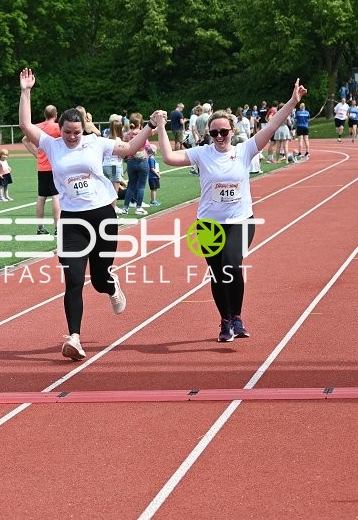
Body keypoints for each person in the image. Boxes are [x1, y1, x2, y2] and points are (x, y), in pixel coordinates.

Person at [153, 79, 308, 343]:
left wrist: (293, 102)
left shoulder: (244, 149)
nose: (219, 137)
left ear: (232, 131)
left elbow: (272, 125)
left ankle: (236, 316)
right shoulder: (202, 153)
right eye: (214, 133)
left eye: (223, 132)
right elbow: (168, 158)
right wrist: (160, 127)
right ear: (209, 135)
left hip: (240, 220)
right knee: (217, 274)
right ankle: (225, 321)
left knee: (231, 265)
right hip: (209, 224)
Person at [18, 67, 155, 361]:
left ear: (84, 129)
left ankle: (112, 285)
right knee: (74, 280)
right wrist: (26, 91)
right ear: (60, 130)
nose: (71, 137)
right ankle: (75, 338)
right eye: (67, 132)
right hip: (72, 221)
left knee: (99, 279)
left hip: (103, 215)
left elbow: (130, 147)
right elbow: (25, 125)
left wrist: (151, 128)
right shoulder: (52, 145)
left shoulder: (97, 143)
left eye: (76, 132)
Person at [21, 104, 61, 234]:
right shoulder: (57, 127)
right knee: (56, 196)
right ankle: (57, 227)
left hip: (42, 167)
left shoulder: (37, 127)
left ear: (45, 115)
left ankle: (40, 228)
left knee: (41, 197)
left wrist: (36, 153)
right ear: (55, 115)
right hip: (54, 166)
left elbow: (25, 140)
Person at [122, 113, 151, 215]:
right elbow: (148, 147)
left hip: (131, 162)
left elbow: (124, 147)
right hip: (142, 161)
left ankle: (125, 208)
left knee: (131, 186)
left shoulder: (127, 135)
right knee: (141, 186)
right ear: (140, 123)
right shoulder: (142, 133)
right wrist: (151, 153)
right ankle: (139, 208)